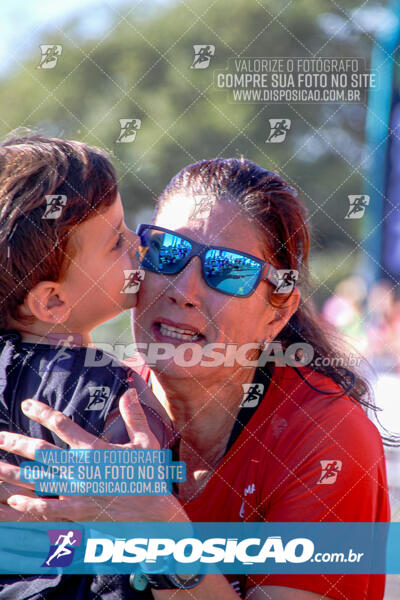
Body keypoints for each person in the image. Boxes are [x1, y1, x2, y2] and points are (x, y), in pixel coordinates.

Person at [0, 158, 390, 600]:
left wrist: (162, 540)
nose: (183, 291)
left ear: (278, 311)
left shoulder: (325, 436)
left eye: (228, 270)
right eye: (167, 252)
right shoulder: (92, 409)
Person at [0, 134, 174, 599]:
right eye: (116, 241)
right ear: (53, 300)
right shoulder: (110, 390)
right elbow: (158, 503)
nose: (138, 242)